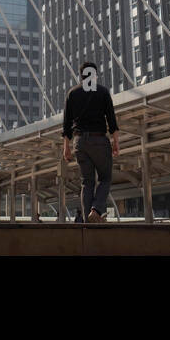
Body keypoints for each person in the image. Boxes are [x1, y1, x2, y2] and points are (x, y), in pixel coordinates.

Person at [62, 62, 119, 224]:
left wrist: (66, 148)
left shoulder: (72, 93)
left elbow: (66, 124)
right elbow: (112, 121)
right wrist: (116, 143)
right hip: (99, 139)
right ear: (94, 75)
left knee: (87, 182)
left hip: (79, 142)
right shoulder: (102, 92)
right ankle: (96, 210)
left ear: (81, 76)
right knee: (105, 178)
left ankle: (88, 223)